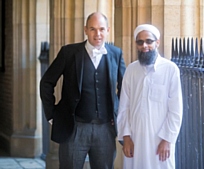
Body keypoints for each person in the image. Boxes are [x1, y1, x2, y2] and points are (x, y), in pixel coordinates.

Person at [40, 12, 126, 169]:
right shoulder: (69, 52)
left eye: (101, 29)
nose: (97, 34)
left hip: (105, 129)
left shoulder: (116, 54)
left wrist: (118, 113)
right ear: (85, 30)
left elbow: (125, 89)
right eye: (93, 29)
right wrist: (52, 114)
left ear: (108, 30)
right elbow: (46, 82)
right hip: (74, 128)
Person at [117, 24, 183, 169]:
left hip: (159, 141)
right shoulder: (131, 70)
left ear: (157, 42)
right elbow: (124, 107)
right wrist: (126, 137)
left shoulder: (170, 69)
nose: (144, 46)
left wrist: (167, 139)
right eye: (140, 42)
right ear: (136, 44)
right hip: (135, 140)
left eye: (149, 41)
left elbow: (176, 110)